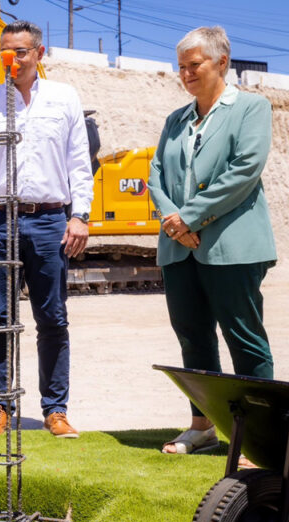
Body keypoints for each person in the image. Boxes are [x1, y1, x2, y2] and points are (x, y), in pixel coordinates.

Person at [148, 27, 276, 458]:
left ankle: (261, 438)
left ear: (222, 62)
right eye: (181, 66)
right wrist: (175, 223)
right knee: (193, 337)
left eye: (194, 65)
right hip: (178, 247)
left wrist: (188, 217)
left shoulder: (251, 108)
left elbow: (244, 171)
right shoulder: (176, 119)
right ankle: (202, 427)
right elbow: (156, 176)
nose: (185, 73)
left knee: (243, 338)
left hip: (232, 245)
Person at [0, 21, 93, 439]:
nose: (12, 59)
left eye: (21, 52)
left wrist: (81, 215)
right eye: (6, 52)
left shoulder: (64, 98)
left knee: (52, 317)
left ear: (39, 53)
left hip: (49, 219)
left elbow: (79, 159)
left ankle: (55, 410)